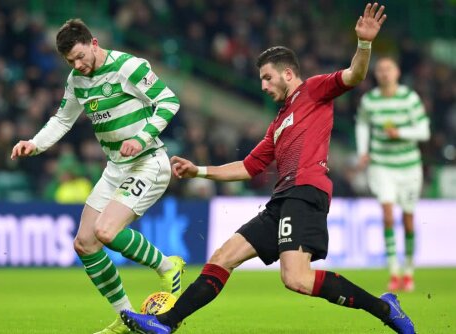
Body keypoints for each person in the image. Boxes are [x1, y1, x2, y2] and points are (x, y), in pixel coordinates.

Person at [121, 3, 415, 334]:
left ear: (287, 73)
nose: (263, 85)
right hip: (282, 199)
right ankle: (165, 323)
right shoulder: (278, 123)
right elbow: (248, 167)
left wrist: (364, 44)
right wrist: (199, 170)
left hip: (305, 192)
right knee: (223, 256)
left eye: (266, 77)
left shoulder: (314, 90)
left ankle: (385, 308)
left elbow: (355, 75)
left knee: (296, 278)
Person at [10, 19, 185, 334]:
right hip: (115, 168)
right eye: (70, 61)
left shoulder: (129, 66)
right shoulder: (76, 80)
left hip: (148, 161)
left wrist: (142, 137)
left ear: (93, 43)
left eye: (80, 56)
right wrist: (33, 144)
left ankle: (167, 265)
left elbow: (169, 101)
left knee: (105, 231)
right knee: (85, 243)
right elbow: (62, 120)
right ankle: (127, 318)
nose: (78, 65)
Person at [355, 56, 430, 292]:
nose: (384, 73)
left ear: (397, 72)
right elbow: (363, 124)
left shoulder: (409, 98)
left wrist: (400, 133)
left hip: (408, 166)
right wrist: (363, 151)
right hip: (382, 165)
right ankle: (393, 270)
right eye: (380, 70)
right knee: (387, 215)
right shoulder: (370, 100)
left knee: (408, 220)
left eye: (389, 69)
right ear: (376, 74)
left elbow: (424, 131)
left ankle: (409, 269)